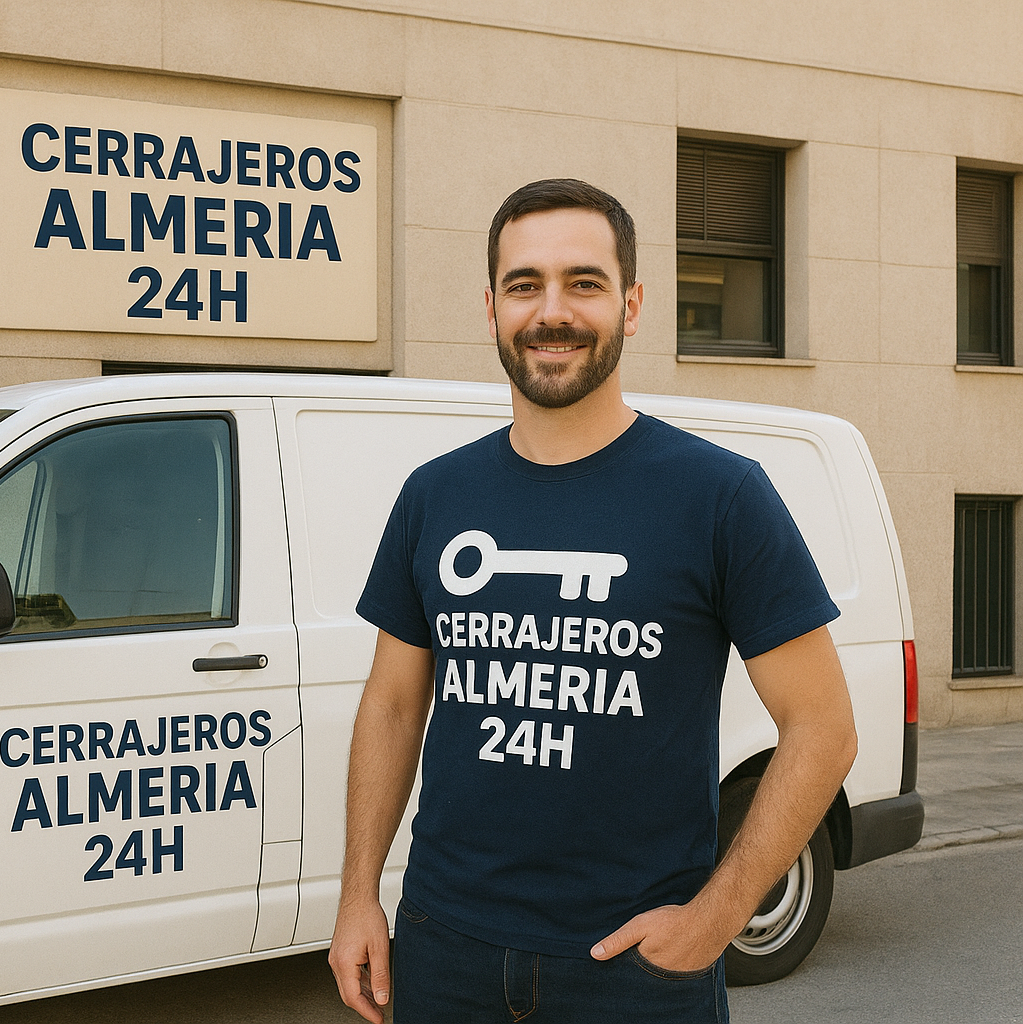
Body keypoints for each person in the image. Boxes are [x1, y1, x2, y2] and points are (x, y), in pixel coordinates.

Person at [327, 178, 858, 1023]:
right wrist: (359, 896)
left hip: (636, 973)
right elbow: (393, 706)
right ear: (492, 308)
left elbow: (824, 728)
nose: (553, 312)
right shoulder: (436, 495)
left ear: (632, 304)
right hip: (444, 951)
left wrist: (714, 923)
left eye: (584, 282)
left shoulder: (720, 496)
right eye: (524, 284)